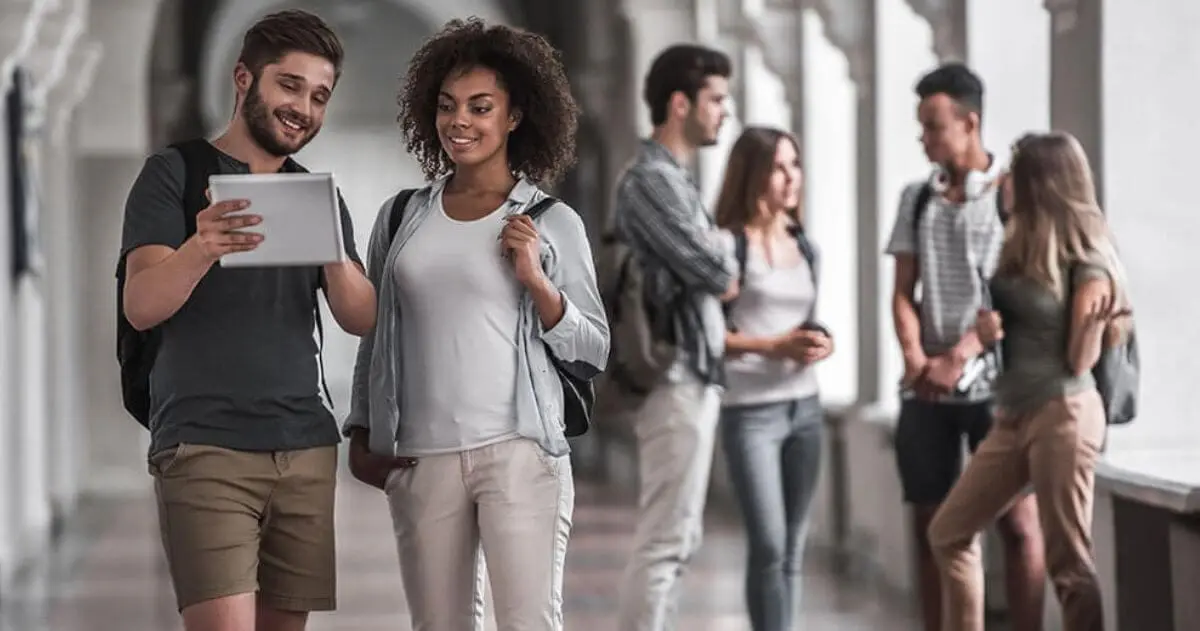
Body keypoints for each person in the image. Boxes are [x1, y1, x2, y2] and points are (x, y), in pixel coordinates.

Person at [342, 18, 608, 631]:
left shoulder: (551, 221)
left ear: (515, 116)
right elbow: (379, 335)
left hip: (519, 453)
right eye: (447, 106)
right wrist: (363, 427)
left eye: (480, 107)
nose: (459, 121)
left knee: (528, 623)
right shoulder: (401, 217)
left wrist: (537, 281)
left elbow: (593, 349)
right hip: (421, 457)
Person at [118, 10, 376, 631]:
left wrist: (332, 253)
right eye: (289, 85)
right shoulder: (174, 174)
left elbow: (361, 317)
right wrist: (201, 247)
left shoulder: (317, 194)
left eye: (319, 96)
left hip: (305, 448)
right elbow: (141, 304)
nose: (304, 108)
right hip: (203, 448)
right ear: (243, 79)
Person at [928, 130, 1127, 631]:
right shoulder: (1019, 241)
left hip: (1064, 414)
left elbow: (1078, 362)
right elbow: (1013, 331)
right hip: (1013, 415)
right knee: (949, 532)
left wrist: (1095, 326)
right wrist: (987, 331)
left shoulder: (1090, 258)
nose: (1003, 179)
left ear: (1042, 182)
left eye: (1014, 171)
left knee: (1069, 566)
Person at [884, 62, 1046, 631]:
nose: (923, 138)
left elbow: (1021, 295)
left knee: (1019, 525)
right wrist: (917, 360)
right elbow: (902, 292)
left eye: (933, 126)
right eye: (921, 126)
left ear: (970, 122)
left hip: (999, 389)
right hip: (927, 390)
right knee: (931, 524)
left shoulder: (1011, 199)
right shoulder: (915, 199)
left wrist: (959, 356)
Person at [613, 43, 738, 631]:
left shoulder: (676, 181)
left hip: (693, 373)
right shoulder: (649, 181)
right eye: (716, 99)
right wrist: (723, 252)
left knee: (679, 535)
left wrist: (718, 252)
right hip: (674, 376)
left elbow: (715, 265)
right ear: (680, 103)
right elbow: (717, 272)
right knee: (666, 536)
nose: (724, 111)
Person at [712, 127, 834, 631]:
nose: (791, 177)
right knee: (768, 545)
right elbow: (711, 339)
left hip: (805, 410)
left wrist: (821, 341)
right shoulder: (726, 247)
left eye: (795, 165)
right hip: (750, 413)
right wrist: (775, 347)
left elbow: (805, 320)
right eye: (779, 167)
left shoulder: (806, 245)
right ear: (754, 174)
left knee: (793, 549)